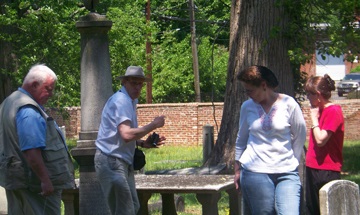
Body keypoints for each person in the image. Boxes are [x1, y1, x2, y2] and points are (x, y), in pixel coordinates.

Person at [0, 64, 75, 215]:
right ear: (34, 85)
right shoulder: (28, 110)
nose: (51, 94)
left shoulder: (9, 102)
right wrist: (45, 180)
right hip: (34, 185)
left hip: (16, 180)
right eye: (48, 89)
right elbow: (31, 151)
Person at [234, 65, 307, 215]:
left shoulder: (289, 103)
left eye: (250, 90)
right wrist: (237, 170)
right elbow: (241, 139)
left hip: (287, 172)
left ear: (264, 85)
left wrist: (293, 160)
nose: (248, 94)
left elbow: (300, 135)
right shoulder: (247, 107)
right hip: (255, 172)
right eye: (246, 91)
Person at [94, 66, 166, 215]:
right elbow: (126, 134)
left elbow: (119, 135)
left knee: (132, 206)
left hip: (120, 161)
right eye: (134, 83)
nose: (138, 87)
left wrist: (142, 143)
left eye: (140, 84)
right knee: (125, 211)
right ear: (125, 82)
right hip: (112, 160)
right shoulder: (121, 101)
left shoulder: (130, 100)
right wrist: (153, 124)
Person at [304, 74, 344, 215]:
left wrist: (314, 120)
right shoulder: (318, 110)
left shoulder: (333, 111)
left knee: (328, 209)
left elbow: (321, 140)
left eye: (309, 94)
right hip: (312, 166)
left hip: (327, 169)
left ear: (318, 94)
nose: (307, 97)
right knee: (311, 209)